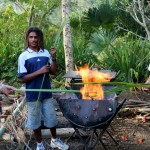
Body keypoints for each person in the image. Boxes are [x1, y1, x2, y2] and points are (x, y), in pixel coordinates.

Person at [18, 27, 69, 150]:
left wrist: (54, 58)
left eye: (36, 37)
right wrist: (39, 71)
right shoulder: (23, 56)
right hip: (33, 94)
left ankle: (54, 140)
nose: (33, 39)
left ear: (39, 38)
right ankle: (40, 145)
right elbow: (22, 78)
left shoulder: (46, 53)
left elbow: (53, 72)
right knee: (35, 122)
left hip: (47, 93)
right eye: (31, 37)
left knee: (51, 118)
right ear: (28, 39)